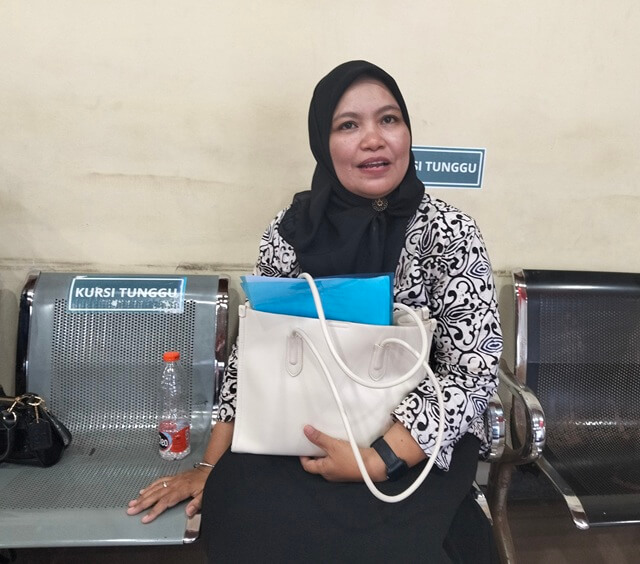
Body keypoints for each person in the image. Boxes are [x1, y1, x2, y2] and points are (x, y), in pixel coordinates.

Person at [127, 60, 502, 563]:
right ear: (322, 144)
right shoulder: (292, 230)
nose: (374, 139)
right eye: (348, 125)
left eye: (389, 119)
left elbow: (471, 373)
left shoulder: (449, 234)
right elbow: (251, 354)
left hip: (412, 448)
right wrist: (210, 467)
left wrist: (378, 460)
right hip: (294, 430)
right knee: (241, 515)